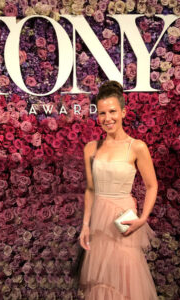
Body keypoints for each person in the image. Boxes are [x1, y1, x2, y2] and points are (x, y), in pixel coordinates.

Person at [78, 81, 159, 299]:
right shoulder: (91, 148)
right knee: (101, 283)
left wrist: (142, 219)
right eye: (102, 113)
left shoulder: (137, 147)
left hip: (123, 222)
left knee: (126, 282)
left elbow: (152, 186)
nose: (108, 118)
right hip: (98, 224)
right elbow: (91, 189)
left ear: (123, 112)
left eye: (113, 111)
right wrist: (85, 225)